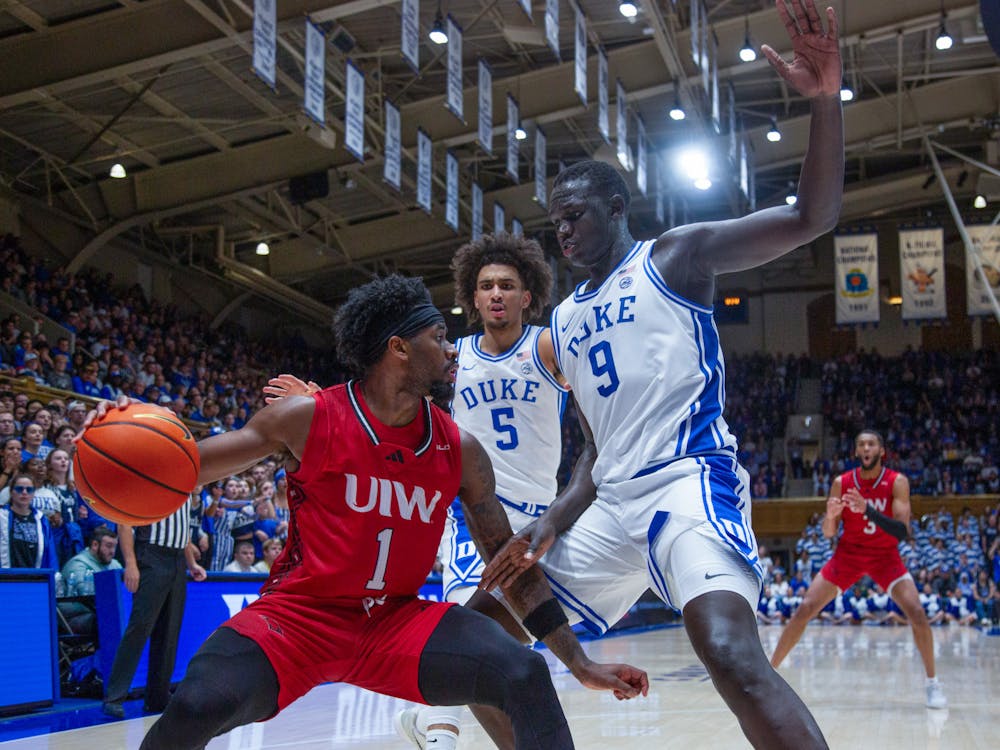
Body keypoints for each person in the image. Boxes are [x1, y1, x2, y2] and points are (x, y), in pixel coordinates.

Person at [480, 2, 842, 747]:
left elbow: (812, 216)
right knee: (480, 630)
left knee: (730, 653)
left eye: (575, 214)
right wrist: (552, 521)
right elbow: (592, 446)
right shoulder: (569, 319)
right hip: (610, 504)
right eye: (556, 222)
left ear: (616, 209)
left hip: (685, 482)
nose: (564, 230)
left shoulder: (674, 257)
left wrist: (823, 101)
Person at [95, 275, 647, 750]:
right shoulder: (310, 417)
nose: (453, 349)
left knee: (522, 669)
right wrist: (123, 434)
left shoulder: (461, 450)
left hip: (394, 622)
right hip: (300, 617)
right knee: (193, 704)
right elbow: (189, 465)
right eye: (438, 337)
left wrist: (578, 663)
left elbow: (512, 568)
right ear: (398, 349)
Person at [265, 234, 574, 749]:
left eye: (508, 285)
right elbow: (388, 402)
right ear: (471, 298)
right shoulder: (454, 356)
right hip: (476, 521)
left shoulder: (546, 347)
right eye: (485, 286)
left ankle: (426, 717)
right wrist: (319, 405)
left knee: (510, 655)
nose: (496, 293)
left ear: (528, 295)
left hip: (539, 524)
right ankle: (442, 733)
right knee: (478, 644)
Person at [769, 429, 947, 709]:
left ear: (881, 451)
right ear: (856, 452)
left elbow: (902, 532)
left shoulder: (896, 482)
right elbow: (829, 533)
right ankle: (769, 677)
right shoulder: (841, 482)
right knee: (805, 608)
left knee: (917, 613)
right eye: (861, 444)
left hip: (885, 557)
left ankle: (932, 684)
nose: (866, 448)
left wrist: (868, 510)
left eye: (871, 444)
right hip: (848, 556)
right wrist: (829, 517)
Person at [101, 497, 207, 719]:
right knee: (139, 628)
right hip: (151, 554)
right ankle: (114, 697)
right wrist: (131, 563)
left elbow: (183, 531)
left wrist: (191, 563)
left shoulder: (186, 488)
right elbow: (125, 524)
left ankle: (157, 697)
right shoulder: (150, 481)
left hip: (177, 559)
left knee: (170, 631)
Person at [59, 525, 122, 634]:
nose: (112, 551)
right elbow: (84, 594)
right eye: (108, 546)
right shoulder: (78, 564)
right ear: (94, 545)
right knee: (109, 619)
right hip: (76, 617)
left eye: (114, 546)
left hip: (102, 613)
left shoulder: (114, 564)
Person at [0, 472, 57, 569]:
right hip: (5, 578)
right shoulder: (2, 516)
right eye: (19, 489)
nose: (24, 493)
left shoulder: (41, 519)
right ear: (11, 491)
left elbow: (50, 552)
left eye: (29, 490)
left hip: (35, 578)